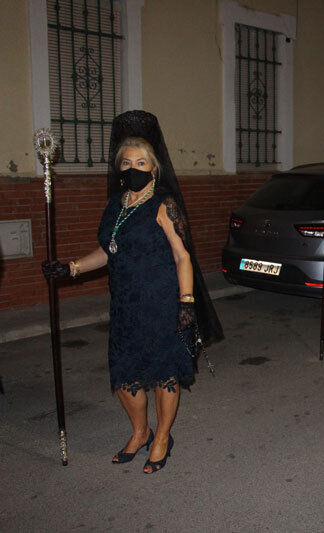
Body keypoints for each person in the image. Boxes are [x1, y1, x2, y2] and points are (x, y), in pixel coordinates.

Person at [41, 110, 223, 473]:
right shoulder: (116, 205)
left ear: (154, 168)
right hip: (125, 305)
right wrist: (71, 268)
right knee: (125, 374)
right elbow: (108, 250)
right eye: (126, 163)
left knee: (164, 373)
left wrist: (187, 302)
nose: (133, 168)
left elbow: (182, 256)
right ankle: (140, 432)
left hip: (162, 302)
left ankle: (162, 437)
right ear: (118, 168)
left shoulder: (163, 204)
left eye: (141, 162)